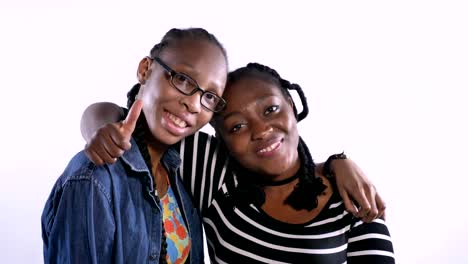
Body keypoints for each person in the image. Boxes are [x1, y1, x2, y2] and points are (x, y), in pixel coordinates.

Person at [54, 29, 386, 263]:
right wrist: (100, 129)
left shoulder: (353, 198)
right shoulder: (213, 174)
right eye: (236, 126)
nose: (260, 131)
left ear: (292, 103)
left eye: (271, 109)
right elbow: (123, 121)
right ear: (222, 138)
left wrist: (337, 162)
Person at [41, 27, 230, 264]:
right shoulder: (94, 178)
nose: (194, 104)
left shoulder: (181, 170)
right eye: (182, 79)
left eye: (210, 96)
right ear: (145, 70)